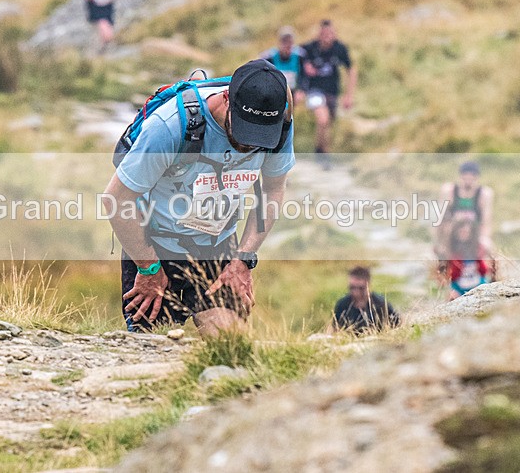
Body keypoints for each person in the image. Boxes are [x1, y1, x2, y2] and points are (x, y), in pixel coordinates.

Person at [102, 59, 295, 337]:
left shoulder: (279, 124)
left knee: (230, 346)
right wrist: (149, 267)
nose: (250, 144)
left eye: (260, 137)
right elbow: (116, 199)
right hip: (156, 248)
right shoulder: (169, 126)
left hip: (218, 249)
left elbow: (273, 189)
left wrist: (243, 259)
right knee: (151, 349)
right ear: (227, 98)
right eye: (244, 131)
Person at [301, 19, 358, 164]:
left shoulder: (339, 48)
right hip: (314, 90)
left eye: (330, 34)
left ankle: (319, 150)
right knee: (323, 119)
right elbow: (294, 58)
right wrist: (305, 68)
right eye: (324, 34)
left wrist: (349, 95)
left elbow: (351, 69)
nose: (327, 37)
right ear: (319, 34)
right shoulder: (309, 48)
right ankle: (325, 156)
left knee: (327, 124)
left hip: (332, 92)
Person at [434, 160, 494, 261]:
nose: (468, 180)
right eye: (465, 177)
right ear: (460, 176)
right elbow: (440, 219)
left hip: (474, 232)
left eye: (472, 177)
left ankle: (486, 268)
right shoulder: (450, 191)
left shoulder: (484, 194)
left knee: (488, 246)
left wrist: (484, 238)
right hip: (453, 232)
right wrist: (440, 240)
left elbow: (486, 221)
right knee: (441, 248)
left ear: (477, 178)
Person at [332, 266, 400, 334]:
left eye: (361, 288)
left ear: (369, 285)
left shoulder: (381, 305)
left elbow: (397, 327)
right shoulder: (342, 305)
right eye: (352, 288)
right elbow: (335, 330)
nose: (356, 293)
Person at [443, 219, 490, 301]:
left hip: (477, 283)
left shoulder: (477, 249)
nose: (463, 235)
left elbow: (483, 271)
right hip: (459, 286)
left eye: (466, 232)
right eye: (461, 232)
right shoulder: (452, 251)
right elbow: (451, 276)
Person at [260, 26, 305, 105]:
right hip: (275, 92)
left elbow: (304, 76)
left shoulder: (300, 56)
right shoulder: (270, 58)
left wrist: (301, 90)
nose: (287, 45)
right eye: (285, 42)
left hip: (293, 91)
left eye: (290, 42)